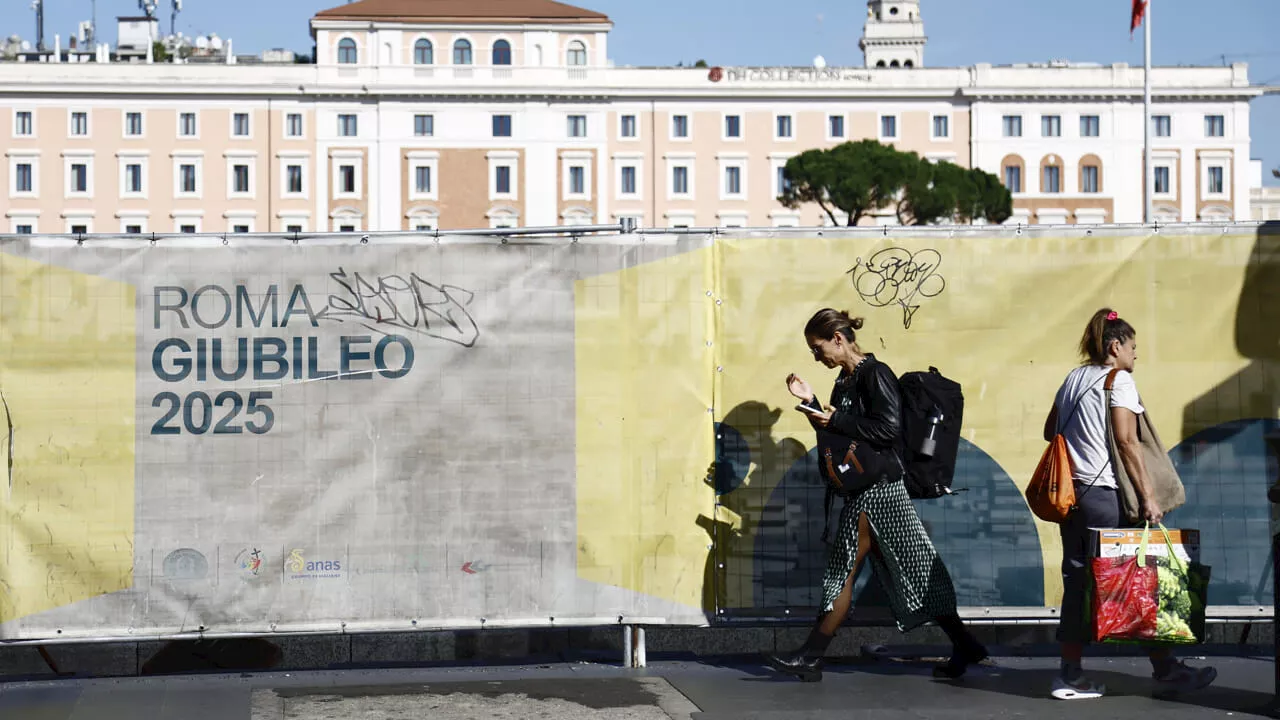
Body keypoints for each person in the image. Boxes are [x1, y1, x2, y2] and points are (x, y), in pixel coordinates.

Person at [765, 308, 987, 682]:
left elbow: (888, 429)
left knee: (843, 571)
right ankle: (966, 644)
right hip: (871, 491)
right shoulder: (844, 382)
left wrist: (832, 418)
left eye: (818, 348)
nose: (817, 357)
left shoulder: (875, 373)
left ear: (839, 338)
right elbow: (841, 433)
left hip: (880, 491)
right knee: (918, 573)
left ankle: (811, 657)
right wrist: (813, 404)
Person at [1042, 308, 1217, 700]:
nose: (1136, 355)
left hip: (1075, 498)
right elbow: (1126, 440)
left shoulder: (1073, 379)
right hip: (1107, 496)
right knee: (1144, 577)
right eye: (1133, 347)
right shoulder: (1118, 381)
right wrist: (1149, 497)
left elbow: (1049, 430)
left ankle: (1071, 670)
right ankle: (1165, 668)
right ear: (1115, 345)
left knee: (1078, 583)